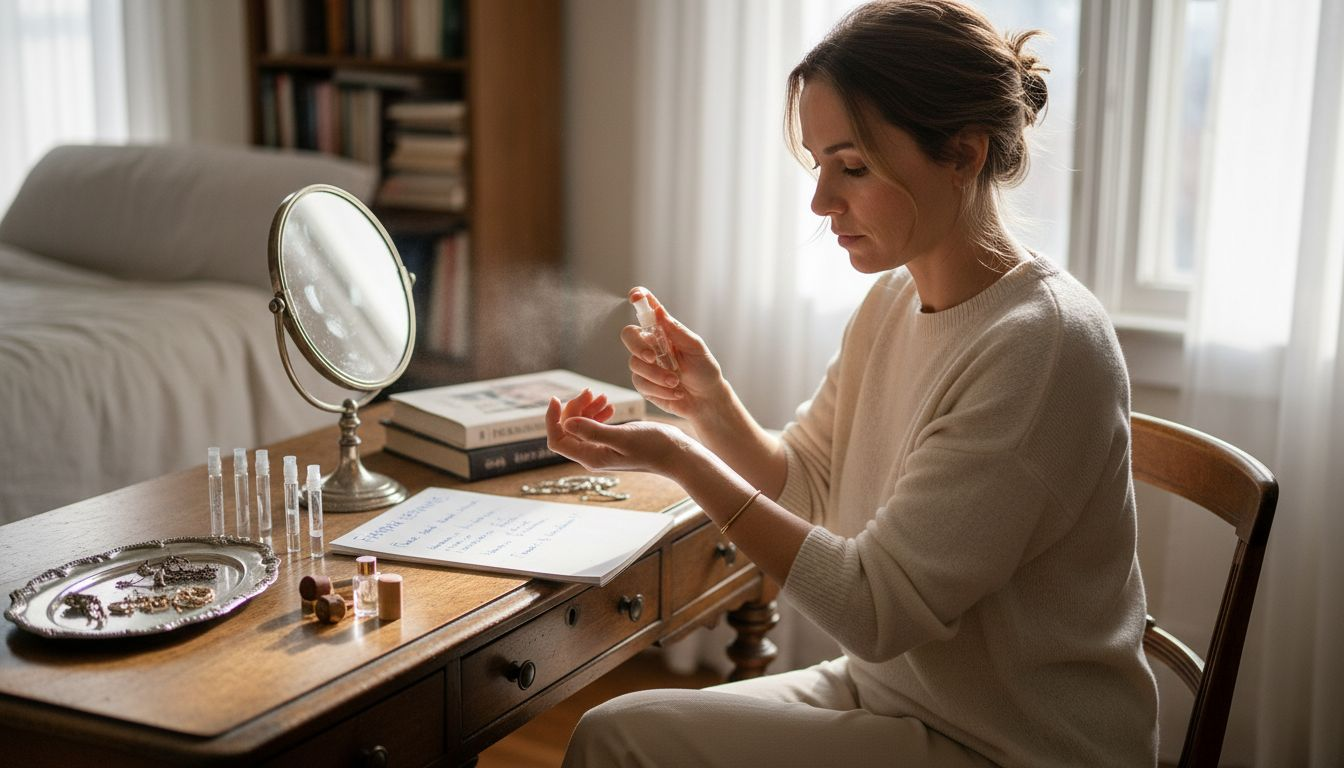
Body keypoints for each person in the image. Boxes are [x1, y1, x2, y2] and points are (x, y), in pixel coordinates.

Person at [546, 1, 1159, 766]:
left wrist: (678, 458)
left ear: (964, 154)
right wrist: (708, 407)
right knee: (618, 729)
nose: (821, 202)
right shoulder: (895, 299)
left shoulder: (1041, 346)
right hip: (897, 694)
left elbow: (876, 610)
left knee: (618, 741)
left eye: (854, 166)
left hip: (1013, 742)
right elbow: (807, 485)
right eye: (819, 165)